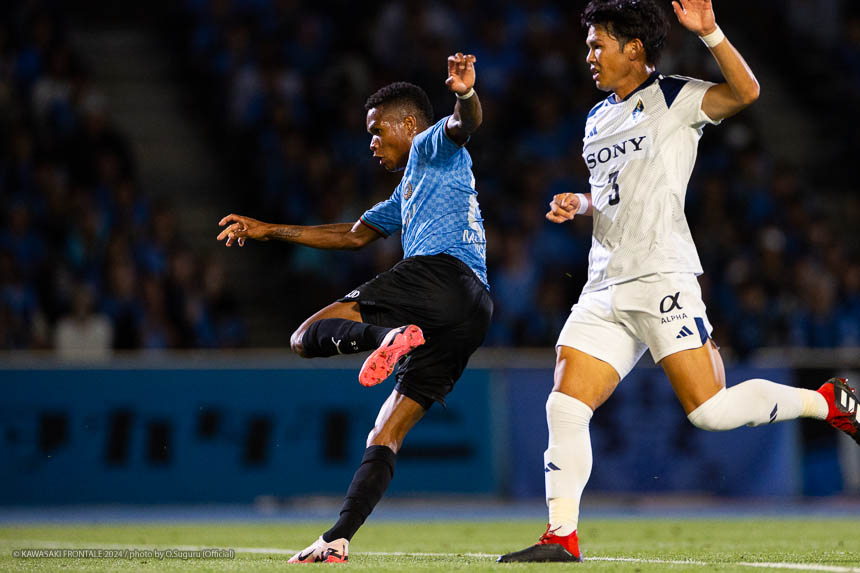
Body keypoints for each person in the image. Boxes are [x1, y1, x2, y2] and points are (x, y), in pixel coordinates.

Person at [498, 0, 859, 563]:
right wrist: (583, 203)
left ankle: (826, 401)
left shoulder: (675, 97)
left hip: (662, 275)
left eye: (597, 44)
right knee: (564, 406)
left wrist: (710, 32)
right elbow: (617, 194)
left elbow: (747, 92)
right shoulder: (595, 119)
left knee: (708, 411)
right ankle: (561, 536)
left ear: (632, 49)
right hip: (604, 284)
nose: (588, 55)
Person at [217, 53, 493, 564]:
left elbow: (464, 124)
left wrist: (465, 94)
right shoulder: (410, 188)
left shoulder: (431, 145)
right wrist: (269, 230)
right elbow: (352, 235)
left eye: (377, 131)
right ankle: (337, 537)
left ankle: (387, 338)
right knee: (386, 430)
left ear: (409, 125)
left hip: (437, 274)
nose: (371, 142)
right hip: (474, 308)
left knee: (306, 336)